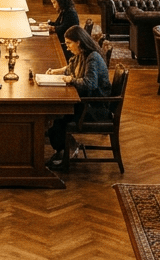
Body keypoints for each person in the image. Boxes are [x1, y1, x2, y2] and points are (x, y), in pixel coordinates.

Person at [46, 25, 111, 169]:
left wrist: (71, 80)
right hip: (87, 104)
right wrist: (56, 72)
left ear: (79, 42)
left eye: (69, 43)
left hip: (94, 109)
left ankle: (67, 153)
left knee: (57, 121)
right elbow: (70, 68)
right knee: (55, 120)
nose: (67, 47)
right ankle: (68, 148)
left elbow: (90, 84)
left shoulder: (92, 57)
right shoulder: (82, 55)